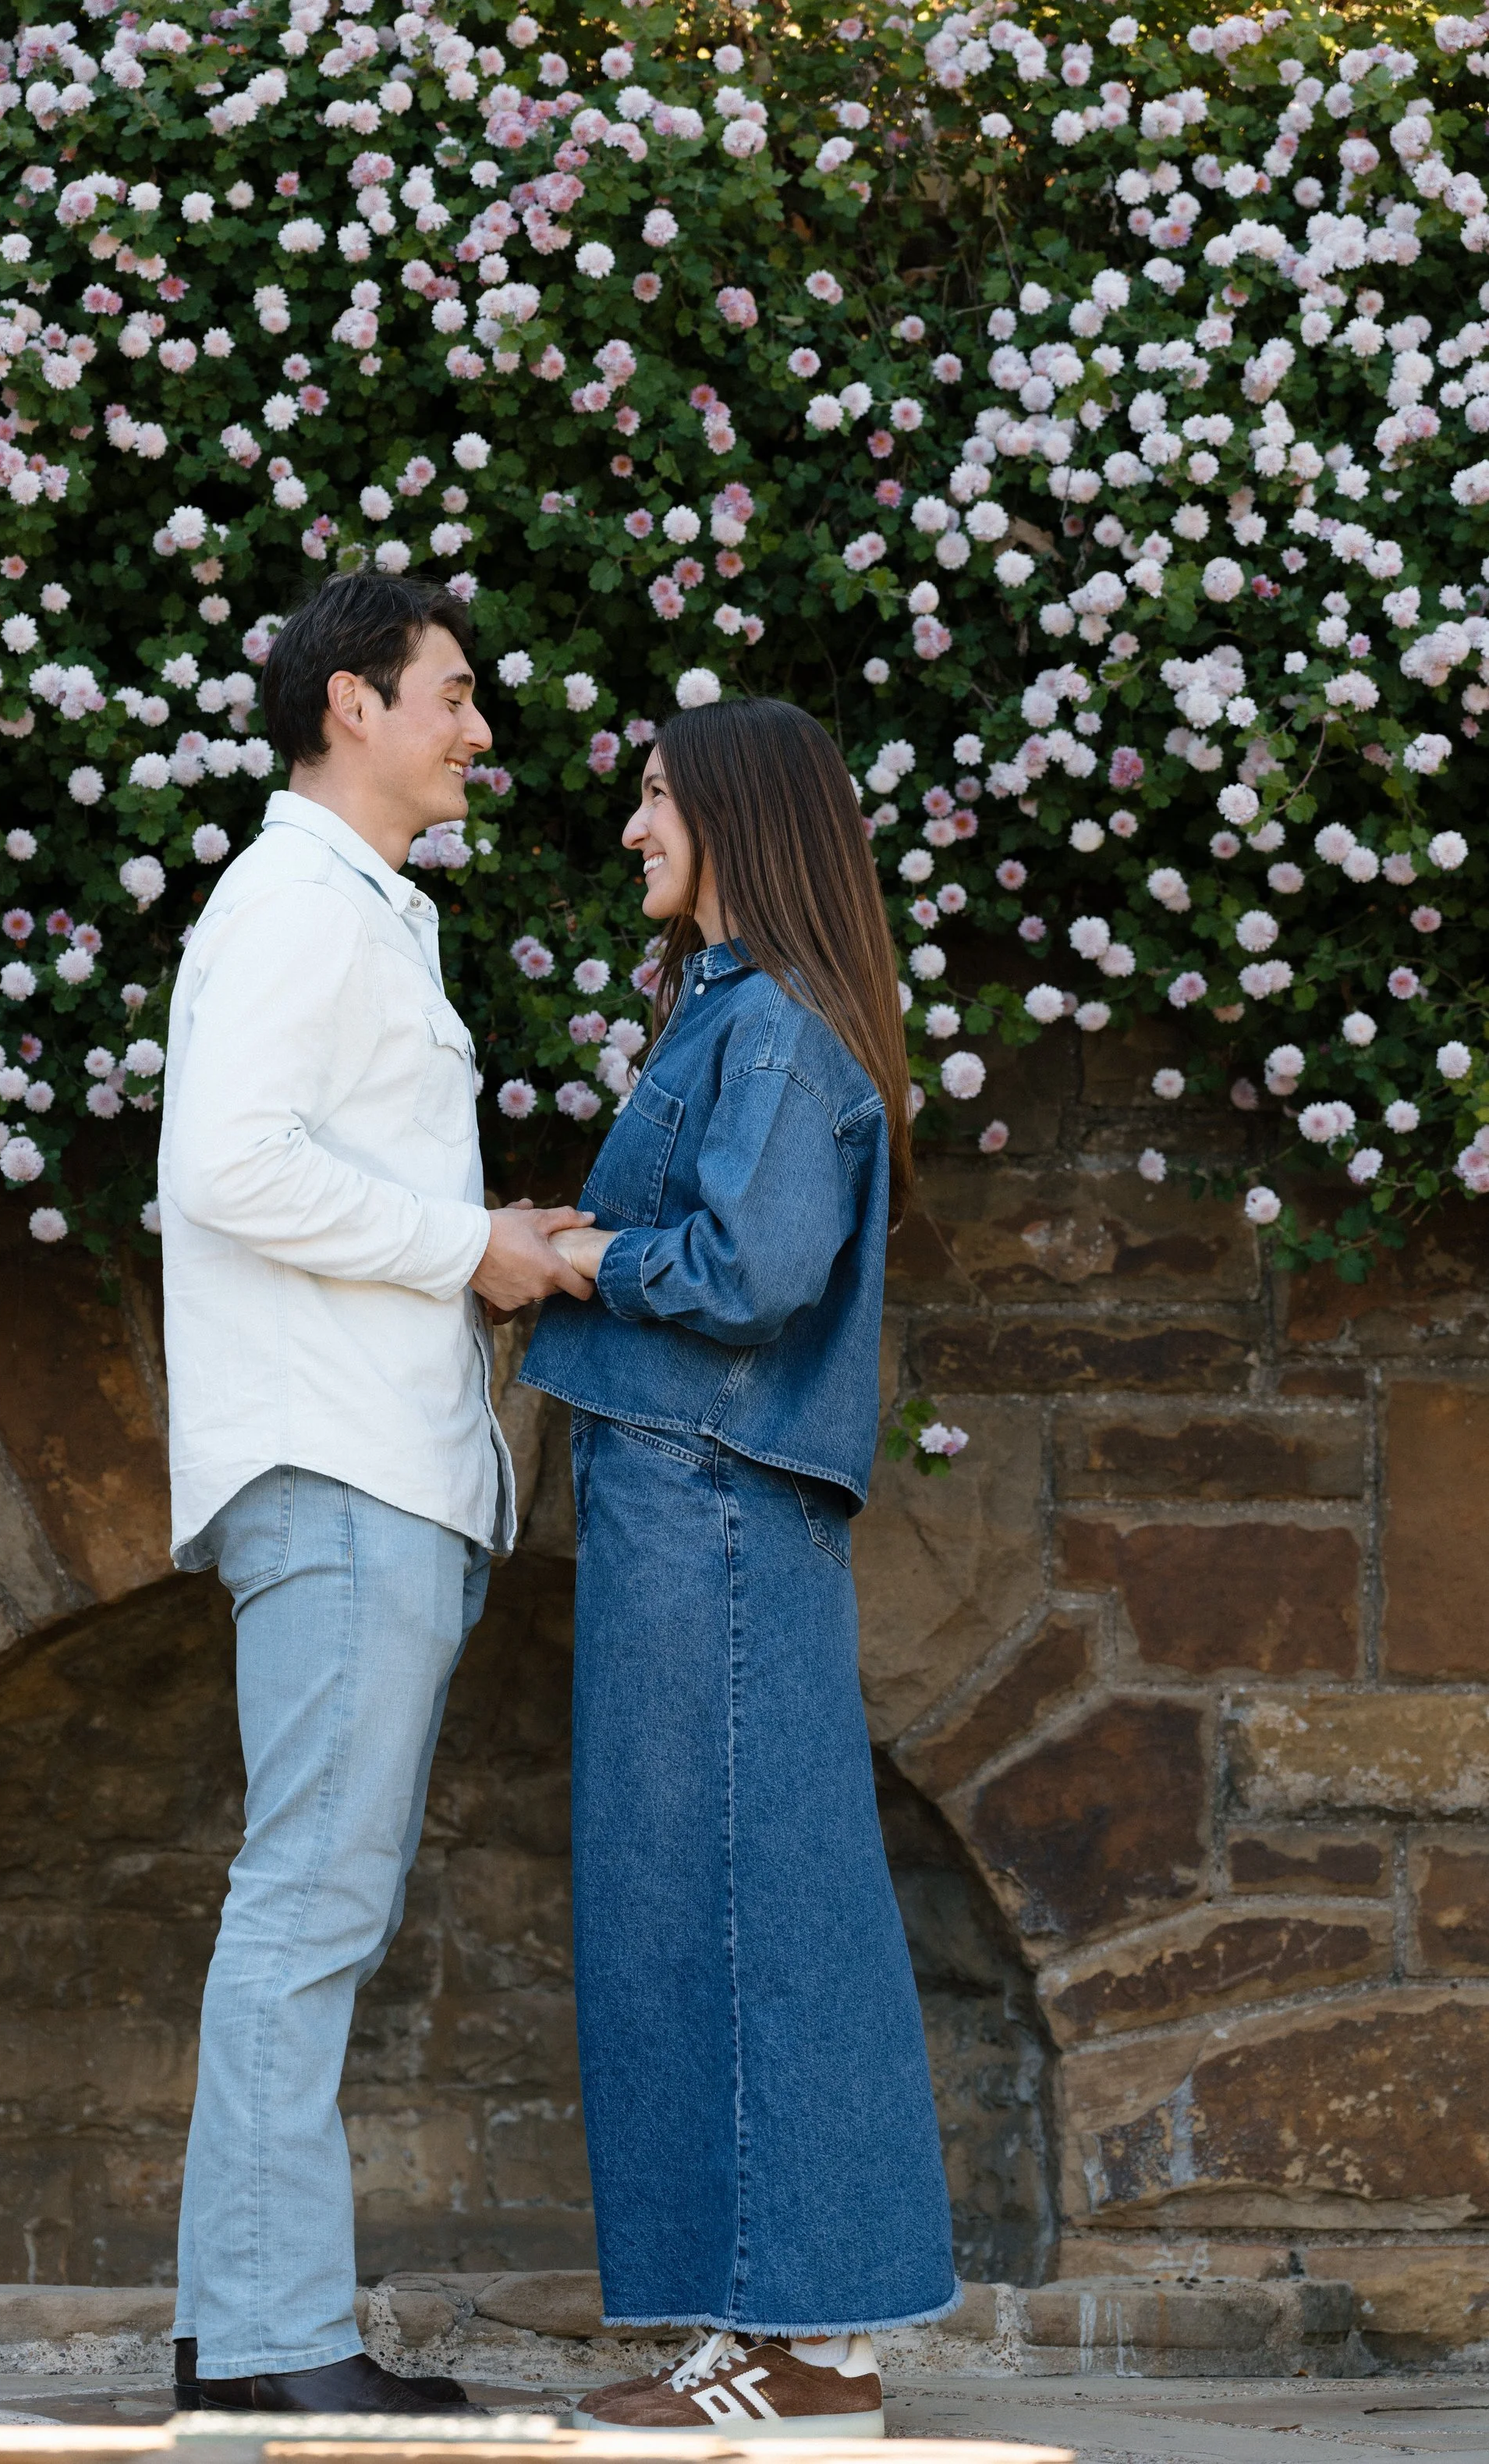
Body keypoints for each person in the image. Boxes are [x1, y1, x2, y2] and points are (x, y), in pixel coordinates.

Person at [156, 573, 592, 2415]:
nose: (477, 729)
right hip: (334, 1471)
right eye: (452, 696)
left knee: (317, 1903)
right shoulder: (291, 905)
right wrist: (465, 1247)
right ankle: (264, 2350)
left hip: (380, 1472)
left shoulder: (361, 913)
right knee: (307, 1908)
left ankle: (248, 2332)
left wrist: (480, 1250)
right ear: (352, 705)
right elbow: (224, 1164)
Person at [519, 695, 958, 2441]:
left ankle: (812, 2348)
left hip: (707, 1500)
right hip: (682, 1499)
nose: (631, 829)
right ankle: (757, 2325)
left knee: (747, 1910)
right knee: (682, 1910)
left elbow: (752, 1270)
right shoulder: (735, 1017)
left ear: (737, 822)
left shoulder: (772, 1029)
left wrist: (577, 1256)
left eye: (654, 799)